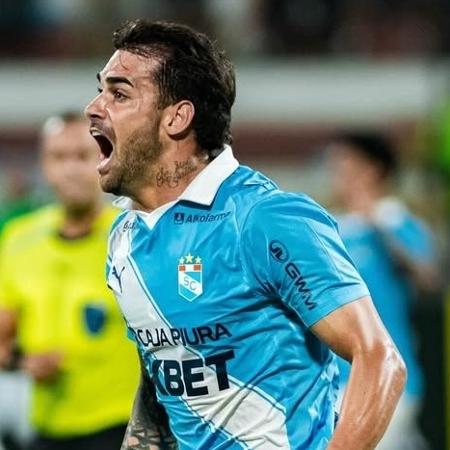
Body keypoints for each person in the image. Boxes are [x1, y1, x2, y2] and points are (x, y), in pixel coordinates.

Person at [85, 20, 406, 450]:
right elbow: (163, 380)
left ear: (177, 118)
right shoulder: (125, 237)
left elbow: (379, 357)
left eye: (119, 94)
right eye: (101, 90)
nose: (94, 107)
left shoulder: (264, 218)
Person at [0, 112, 140, 450]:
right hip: (48, 429)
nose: (71, 169)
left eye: (82, 156)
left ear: (105, 160)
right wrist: (23, 362)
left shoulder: (135, 235)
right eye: (59, 157)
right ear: (44, 165)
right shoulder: (19, 239)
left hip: (124, 427)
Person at [327, 133, 439, 450]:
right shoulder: (332, 227)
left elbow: (428, 279)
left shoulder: (396, 222)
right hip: (334, 378)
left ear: (372, 170)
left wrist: (378, 226)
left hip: (385, 375)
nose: (336, 175)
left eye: (344, 165)